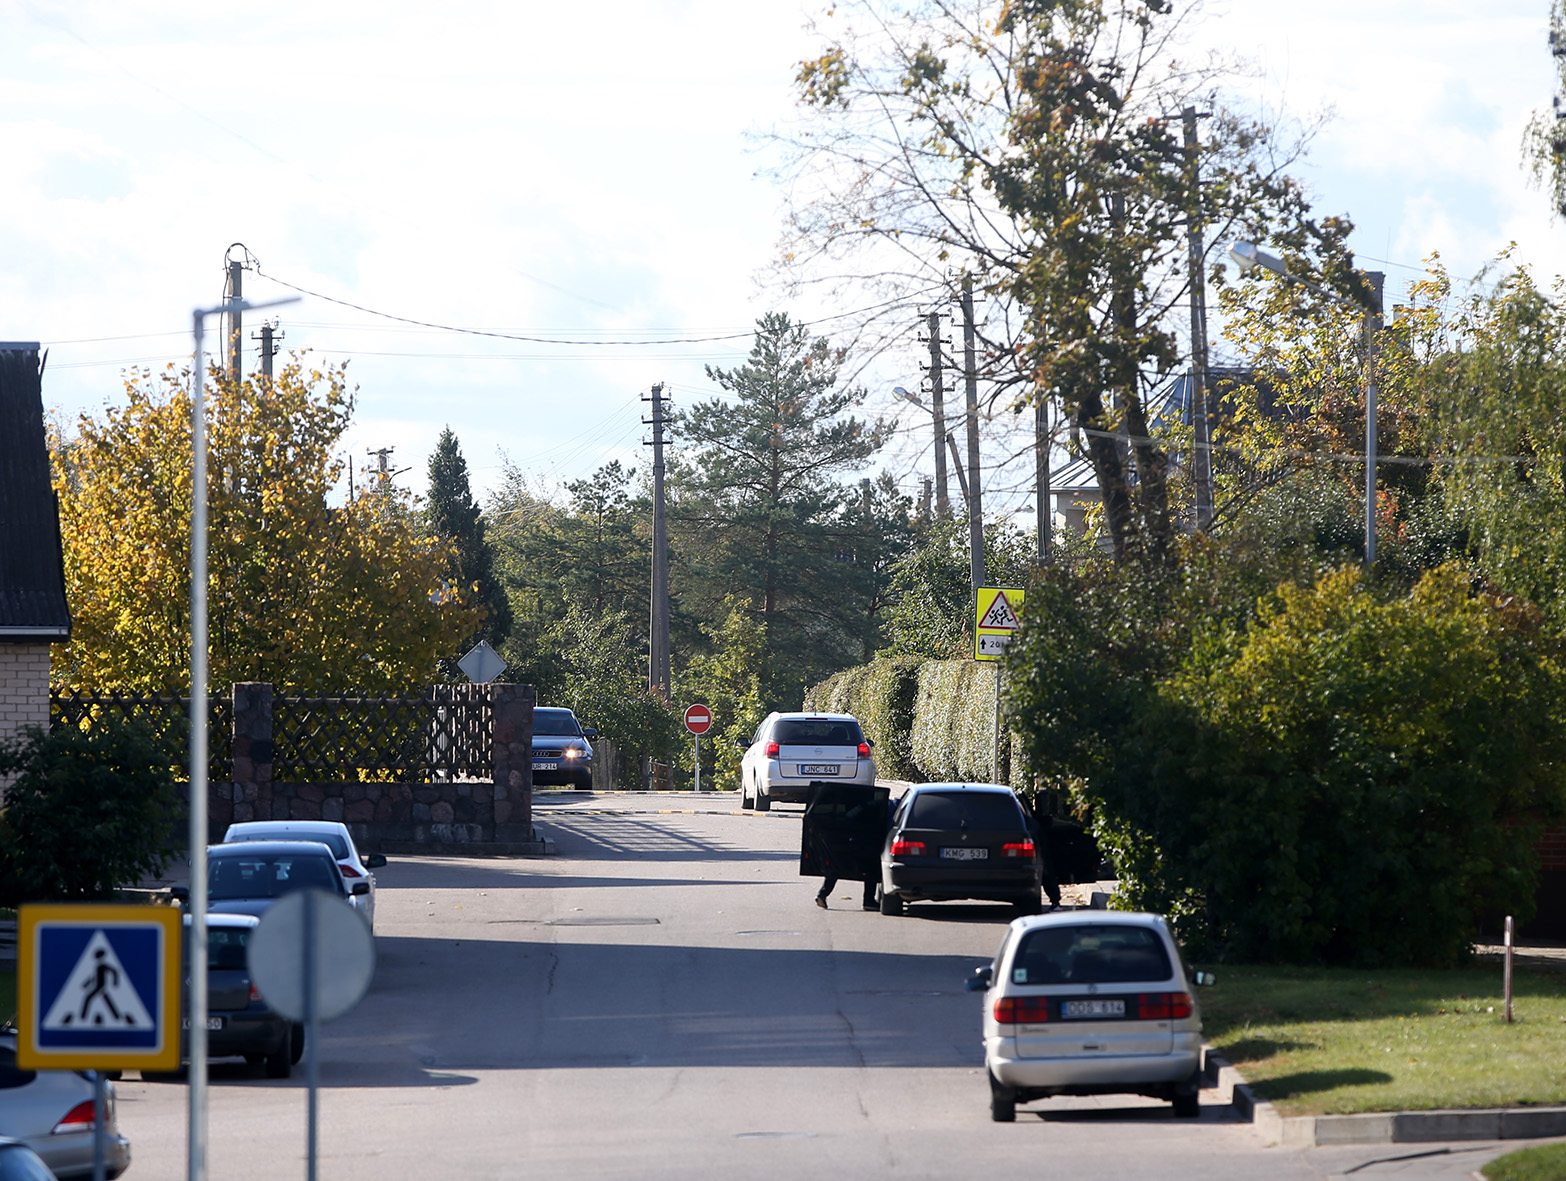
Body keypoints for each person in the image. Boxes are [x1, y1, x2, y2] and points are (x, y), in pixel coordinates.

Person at [1028, 793, 1064, 911]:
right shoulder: (1031, 824)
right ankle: (1055, 901)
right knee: (1046, 868)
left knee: (1046, 867)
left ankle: (1055, 900)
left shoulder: (1032, 825)